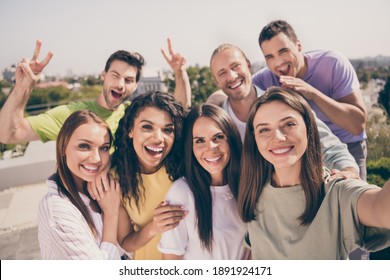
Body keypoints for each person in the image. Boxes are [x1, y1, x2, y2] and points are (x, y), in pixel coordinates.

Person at [237, 87, 390, 259]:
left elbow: (381, 207)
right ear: (254, 138)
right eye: (264, 129)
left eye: (289, 124)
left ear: (309, 128)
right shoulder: (252, 193)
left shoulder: (337, 192)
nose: (278, 137)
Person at [207, 43, 359, 179]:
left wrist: (348, 170)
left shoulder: (286, 103)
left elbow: (328, 144)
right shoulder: (216, 121)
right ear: (216, 81)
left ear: (248, 65)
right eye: (222, 73)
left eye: (235, 66)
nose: (232, 76)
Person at [0, 38, 190, 144]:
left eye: (129, 80)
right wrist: (21, 89)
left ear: (135, 85)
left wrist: (180, 73)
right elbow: (8, 134)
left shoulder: (135, 114)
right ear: (103, 75)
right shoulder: (72, 115)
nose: (121, 85)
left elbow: (179, 109)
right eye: (115, 75)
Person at [252, 20, 367, 181]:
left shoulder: (333, 63)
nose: (277, 62)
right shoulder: (266, 78)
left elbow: (357, 126)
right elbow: (234, 90)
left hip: (348, 147)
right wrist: (215, 99)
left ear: (298, 45)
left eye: (283, 51)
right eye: (269, 57)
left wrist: (311, 92)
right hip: (304, 152)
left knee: (353, 201)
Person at [158, 103, 248, 259]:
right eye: (199, 141)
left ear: (231, 139)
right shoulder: (181, 193)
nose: (211, 148)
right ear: (190, 146)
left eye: (218, 137)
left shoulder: (247, 186)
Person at [38, 110, 121, 259]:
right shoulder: (58, 212)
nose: (96, 159)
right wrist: (111, 215)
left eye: (104, 148)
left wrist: (105, 168)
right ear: (63, 146)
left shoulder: (98, 188)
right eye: (84, 146)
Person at [113, 90, 187, 260]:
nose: (158, 138)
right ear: (130, 130)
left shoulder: (185, 167)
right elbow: (125, 241)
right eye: (147, 127)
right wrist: (154, 226)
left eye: (168, 130)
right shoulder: (116, 178)